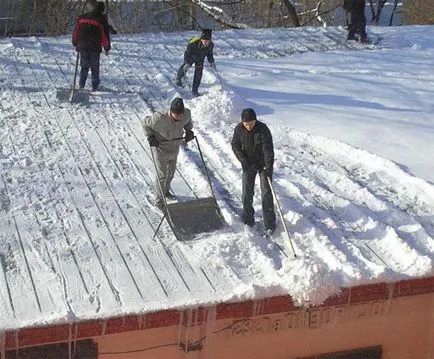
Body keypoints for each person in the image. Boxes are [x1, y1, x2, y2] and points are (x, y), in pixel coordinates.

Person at [142, 98, 195, 209]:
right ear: (171, 112)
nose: (179, 117)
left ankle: (165, 191)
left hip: (174, 147)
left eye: (181, 114)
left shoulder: (186, 114)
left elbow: (188, 122)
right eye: (176, 114)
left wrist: (189, 131)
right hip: (160, 148)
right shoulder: (159, 118)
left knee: (171, 172)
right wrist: (150, 136)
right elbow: (145, 123)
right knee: (162, 175)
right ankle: (159, 200)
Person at [231, 108, 276, 235]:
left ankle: (270, 224)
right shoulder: (239, 129)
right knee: (247, 192)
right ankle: (248, 219)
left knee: (266, 193)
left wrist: (268, 167)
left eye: (251, 123)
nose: (249, 126)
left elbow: (268, 150)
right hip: (248, 164)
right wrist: (243, 161)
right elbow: (235, 145)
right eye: (246, 124)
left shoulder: (263, 129)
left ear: (255, 120)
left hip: (263, 165)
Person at [72, 0, 111, 92]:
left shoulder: (82, 18)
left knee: (84, 66)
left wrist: (75, 42)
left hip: (83, 45)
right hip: (94, 47)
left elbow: (76, 31)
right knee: (94, 67)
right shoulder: (101, 19)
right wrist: (107, 47)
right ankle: (95, 86)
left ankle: (81, 85)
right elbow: (104, 35)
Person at [175, 28, 216, 97]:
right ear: (201, 39)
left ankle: (195, 90)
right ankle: (178, 78)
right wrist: (187, 62)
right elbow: (187, 54)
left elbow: (209, 54)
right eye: (204, 41)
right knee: (185, 67)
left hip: (200, 59)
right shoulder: (193, 43)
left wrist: (212, 62)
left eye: (208, 41)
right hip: (191, 57)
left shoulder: (211, 45)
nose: (206, 43)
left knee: (199, 74)